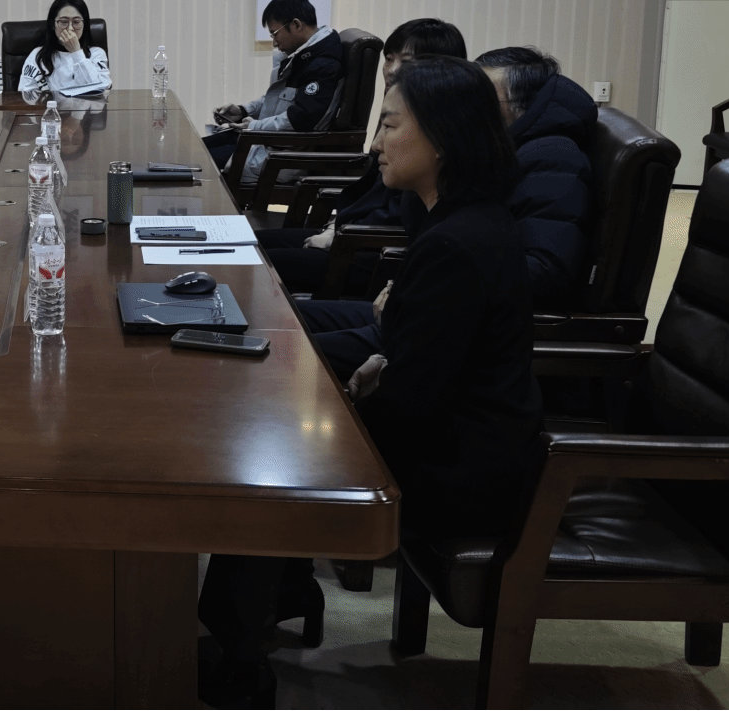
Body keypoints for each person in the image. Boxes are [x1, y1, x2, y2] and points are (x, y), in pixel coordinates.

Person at [200, 58, 539, 706]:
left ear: (442, 138)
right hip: (460, 436)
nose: (377, 142)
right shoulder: (457, 218)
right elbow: (425, 362)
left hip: (464, 468)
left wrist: (346, 399)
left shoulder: (457, 243)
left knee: (270, 450)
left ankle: (241, 661)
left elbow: (413, 405)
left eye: (390, 125)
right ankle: (277, 599)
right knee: (277, 400)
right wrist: (373, 369)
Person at [260, 18, 468, 293]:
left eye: (407, 61)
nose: (392, 70)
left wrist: (345, 231)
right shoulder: (402, 106)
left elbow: (406, 208)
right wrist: (337, 224)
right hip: (354, 230)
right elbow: (374, 188)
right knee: (254, 245)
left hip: (374, 249)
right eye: (389, 59)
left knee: (258, 265)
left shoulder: (439, 126)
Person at [477, 46, 596, 311]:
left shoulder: (553, 156)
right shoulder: (506, 149)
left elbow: (546, 272)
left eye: (482, 96)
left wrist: (451, 277)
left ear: (522, 105)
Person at [207, 0, 345, 183]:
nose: (274, 42)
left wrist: (254, 126)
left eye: (275, 33)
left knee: (200, 162)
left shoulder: (323, 64)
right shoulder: (303, 55)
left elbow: (300, 119)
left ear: (296, 25)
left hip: (283, 157)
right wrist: (243, 110)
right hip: (267, 144)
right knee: (198, 147)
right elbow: (278, 101)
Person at [17, 0, 110, 98]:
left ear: (84, 25)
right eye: (64, 22)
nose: (70, 28)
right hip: (49, 108)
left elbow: (100, 92)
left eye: (76, 22)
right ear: (53, 24)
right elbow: (26, 96)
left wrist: (77, 53)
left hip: (87, 109)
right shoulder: (38, 55)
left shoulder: (96, 54)